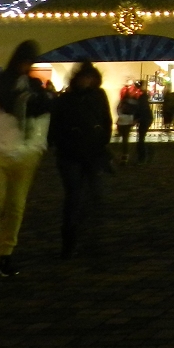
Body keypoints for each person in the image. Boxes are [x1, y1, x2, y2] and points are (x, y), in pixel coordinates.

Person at [0, 41, 53, 277]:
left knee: (16, 207)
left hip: (25, 153)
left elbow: (42, 118)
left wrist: (37, 146)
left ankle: (6, 252)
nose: (26, 65)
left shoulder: (35, 88)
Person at [48, 60, 112, 259]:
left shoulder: (98, 97)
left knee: (94, 197)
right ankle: (70, 240)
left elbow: (106, 120)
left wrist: (102, 141)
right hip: (71, 154)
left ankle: (89, 237)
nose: (87, 81)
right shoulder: (65, 99)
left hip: (93, 152)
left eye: (90, 78)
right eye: (84, 78)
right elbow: (55, 125)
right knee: (74, 196)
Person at [115, 84, 139, 164]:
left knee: (121, 137)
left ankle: (119, 154)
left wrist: (120, 115)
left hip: (121, 120)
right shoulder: (135, 102)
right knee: (125, 138)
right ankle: (125, 155)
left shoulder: (123, 101)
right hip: (129, 120)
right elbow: (136, 111)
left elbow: (118, 109)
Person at [132, 81, 152, 164]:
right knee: (141, 138)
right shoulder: (142, 96)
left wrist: (136, 118)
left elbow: (141, 109)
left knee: (140, 139)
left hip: (144, 119)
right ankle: (143, 155)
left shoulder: (141, 97)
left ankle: (142, 156)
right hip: (145, 118)